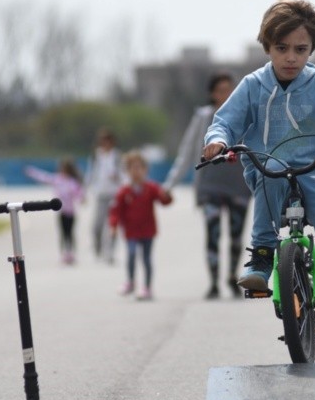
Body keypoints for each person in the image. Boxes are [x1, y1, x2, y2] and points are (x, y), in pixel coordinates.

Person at [201, 0, 315, 343]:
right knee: (269, 168)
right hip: (269, 171)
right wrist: (217, 140)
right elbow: (225, 120)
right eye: (281, 48)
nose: (291, 57)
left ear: (312, 48)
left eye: (301, 49)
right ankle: (262, 258)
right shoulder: (253, 85)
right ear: (267, 46)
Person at [164, 72, 252, 299]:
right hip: (210, 187)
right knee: (212, 234)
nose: (227, 94)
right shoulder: (203, 118)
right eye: (221, 90)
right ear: (213, 94)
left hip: (239, 187)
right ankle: (213, 282)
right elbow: (186, 152)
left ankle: (232, 276)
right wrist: (169, 185)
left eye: (230, 90)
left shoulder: (245, 115)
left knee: (235, 236)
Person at [109, 150, 173, 300]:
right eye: (132, 168)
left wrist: (167, 195)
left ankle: (147, 287)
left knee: (146, 259)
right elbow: (115, 212)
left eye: (139, 168)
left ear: (145, 170)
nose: (136, 171)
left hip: (147, 231)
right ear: (127, 171)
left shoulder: (151, 188)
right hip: (131, 231)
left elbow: (164, 201)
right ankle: (131, 282)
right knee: (131, 254)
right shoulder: (123, 192)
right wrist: (113, 226)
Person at [25, 158, 85, 265]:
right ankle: (64, 253)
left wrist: (82, 198)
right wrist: (32, 172)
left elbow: (79, 193)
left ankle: (71, 253)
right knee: (63, 233)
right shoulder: (58, 179)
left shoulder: (72, 181)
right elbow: (44, 177)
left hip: (71, 212)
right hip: (61, 211)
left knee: (70, 233)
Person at [85, 128, 123, 263]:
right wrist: (85, 191)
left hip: (114, 194)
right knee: (97, 225)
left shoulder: (117, 156)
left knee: (112, 225)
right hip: (101, 194)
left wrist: (117, 178)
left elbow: (123, 175)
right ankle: (98, 248)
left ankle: (110, 252)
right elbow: (90, 174)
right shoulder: (96, 156)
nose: (105, 144)